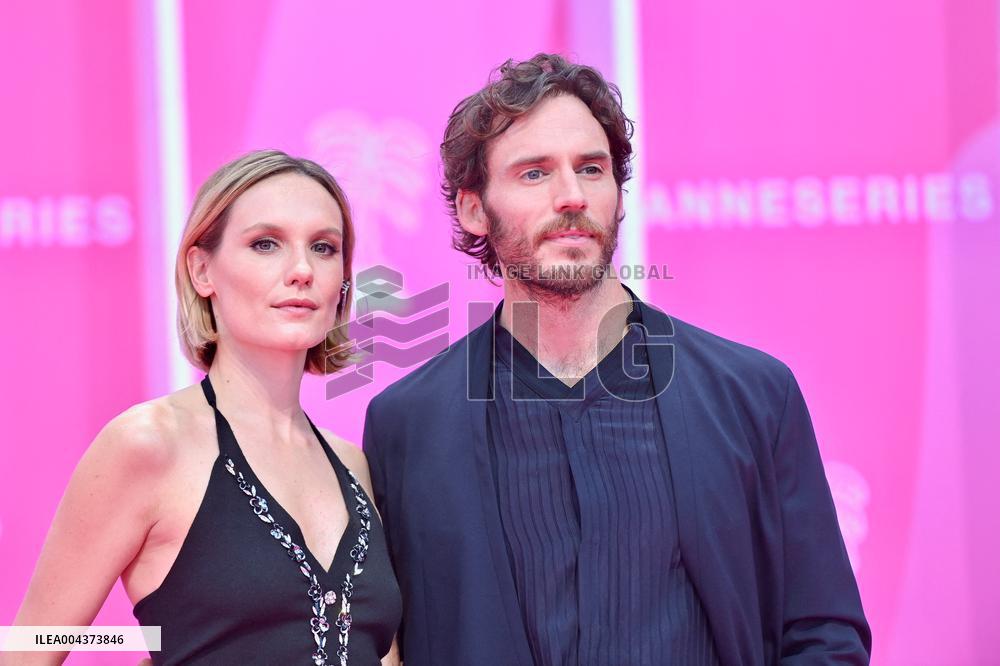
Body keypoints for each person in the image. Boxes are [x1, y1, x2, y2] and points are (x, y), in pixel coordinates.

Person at [361, 54, 871, 665]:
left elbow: (823, 633)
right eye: (534, 173)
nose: (572, 196)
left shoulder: (752, 396)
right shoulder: (408, 426)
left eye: (591, 169)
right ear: (475, 209)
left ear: (619, 196)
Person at [10, 150, 401, 666]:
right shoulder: (149, 445)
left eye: (324, 248)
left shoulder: (353, 465)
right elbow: (31, 645)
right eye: (266, 244)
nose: (303, 270)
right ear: (202, 270)